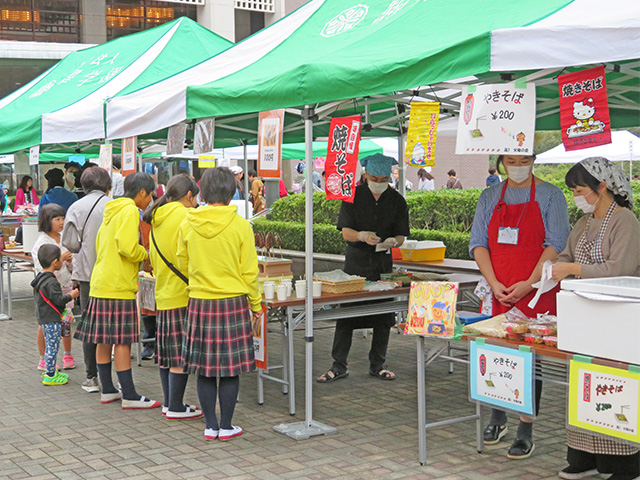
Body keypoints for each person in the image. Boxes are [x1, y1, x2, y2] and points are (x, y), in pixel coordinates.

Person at [469, 154, 571, 459]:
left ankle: (526, 428)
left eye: (523, 159)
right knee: (495, 352)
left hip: (537, 290)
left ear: (534, 159)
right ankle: (498, 416)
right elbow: (478, 243)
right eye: (510, 160)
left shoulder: (550, 195)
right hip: (499, 290)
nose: (517, 165)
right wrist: (493, 283)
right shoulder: (489, 196)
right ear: (501, 162)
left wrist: (529, 283)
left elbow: (556, 244)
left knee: (529, 359)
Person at [552, 157, 639, 480]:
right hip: (584, 320)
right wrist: (557, 266)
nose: (576, 196)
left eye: (579, 190)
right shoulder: (584, 222)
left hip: (619, 321)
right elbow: (566, 254)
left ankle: (623, 465)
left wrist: (573, 270)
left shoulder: (625, 221)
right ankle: (583, 456)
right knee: (583, 386)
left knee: (615, 389)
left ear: (602, 187)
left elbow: (620, 269)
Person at [176, 167, 261, 441]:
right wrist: (256, 304)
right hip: (232, 302)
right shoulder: (240, 226)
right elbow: (249, 270)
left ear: (203, 190)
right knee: (229, 368)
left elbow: (182, 261)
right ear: (231, 191)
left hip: (200, 301)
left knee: (204, 367)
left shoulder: (188, 223)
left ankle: (210, 425)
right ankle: (226, 426)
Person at [317, 153, 409, 383]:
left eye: (385, 178)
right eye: (375, 177)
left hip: (382, 264)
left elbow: (401, 235)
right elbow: (345, 230)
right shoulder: (352, 197)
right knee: (346, 317)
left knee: (383, 316)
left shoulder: (397, 201)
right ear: (365, 174)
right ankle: (338, 365)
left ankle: (378, 363)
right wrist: (361, 235)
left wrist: (393, 242)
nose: (380, 182)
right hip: (355, 264)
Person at [73, 172, 160, 409]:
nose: (150, 200)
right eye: (150, 195)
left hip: (101, 282)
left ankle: (108, 389)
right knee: (122, 341)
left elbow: (103, 245)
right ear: (142, 193)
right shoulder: (130, 211)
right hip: (118, 285)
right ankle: (130, 395)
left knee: (104, 340)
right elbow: (128, 247)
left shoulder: (111, 210)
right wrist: (146, 255)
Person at [143, 174, 203, 420]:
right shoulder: (187, 216)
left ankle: (170, 403)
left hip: (164, 291)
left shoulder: (157, 218)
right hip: (183, 292)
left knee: (166, 354)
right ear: (189, 196)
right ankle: (176, 407)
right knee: (179, 354)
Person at [61, 166, 111, 393]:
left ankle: (92, 377)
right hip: (113, 275)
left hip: (87, 275)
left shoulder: (75, 207)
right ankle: (114, 380)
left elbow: (70, 243)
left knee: (90, 326)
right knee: (114, 327)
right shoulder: (114, 205)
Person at [32, 204, 76, 372]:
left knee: (66, 320)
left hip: (65, 285)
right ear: (46, 221)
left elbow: (73, 265)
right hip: (49, 290)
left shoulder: (65, 238)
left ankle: (67, 354)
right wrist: (60, 260)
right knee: (46, 323)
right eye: (57, 219)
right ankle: (43, 358)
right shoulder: (42, 242)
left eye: (63, 218)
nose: (61, 222)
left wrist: (70, 262)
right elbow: (41, 268)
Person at [31, 244, 79, 386]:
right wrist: (71, 295)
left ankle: (51, 370)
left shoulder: (40, 278)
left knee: (51, 345)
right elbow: (58, 300)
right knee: (52, 346)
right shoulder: (51, 281)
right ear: (55, 262)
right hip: (52, 318)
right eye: (60, 259)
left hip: (44, 317)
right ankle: (50, 375)